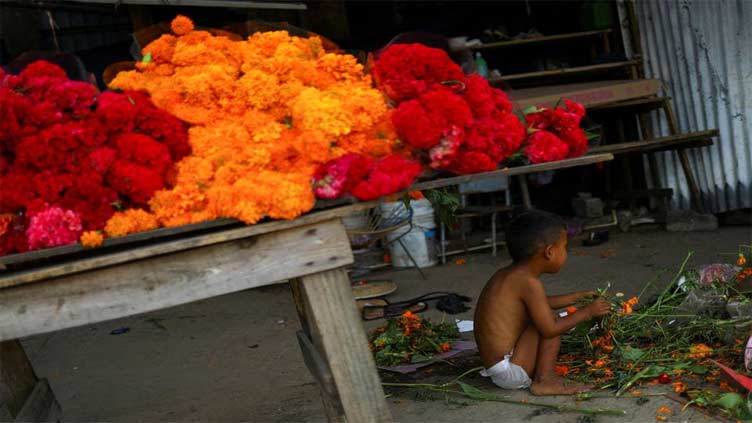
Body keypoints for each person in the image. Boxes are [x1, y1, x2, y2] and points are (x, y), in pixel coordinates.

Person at [474, 210, 611, 395]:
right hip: (510, 372)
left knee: (542, 315)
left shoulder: (509, 275)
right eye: (565, 247)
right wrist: (587, 312)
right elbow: (549, 329)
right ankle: (544, 381)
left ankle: (541, 376)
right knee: (550, 322)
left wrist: (577, 297)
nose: (566, 253)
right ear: (549, 252)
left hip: (500, 368)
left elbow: (536, 304)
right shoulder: (529, 283)